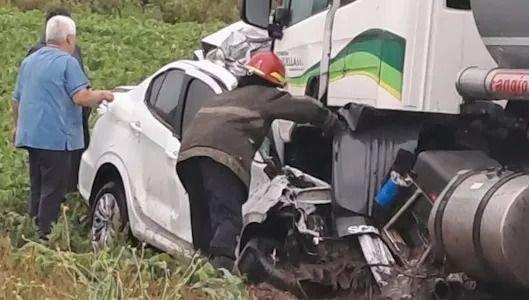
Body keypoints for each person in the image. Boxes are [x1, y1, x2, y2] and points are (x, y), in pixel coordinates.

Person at [176, 51, 343, 269]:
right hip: (221, 157)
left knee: (203, 219)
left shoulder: (223, 96)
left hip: (187, 156)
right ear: (272, 82)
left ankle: (199, 273)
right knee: (228, 218)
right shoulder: (265, 95)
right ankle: (219, 276)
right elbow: (302, 108)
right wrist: (332, 121)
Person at [11, 16, 114, 241]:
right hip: (56, 138)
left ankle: (30, 229)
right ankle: (44, 236)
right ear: (68, 38)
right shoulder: (68, 62)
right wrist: (103, 95)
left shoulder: (30, 61)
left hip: (31, 135)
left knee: (37, 185)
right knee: (53, 189)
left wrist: (16, 126)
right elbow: (80, 96)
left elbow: (16, 99)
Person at [27, 7, 90, 194]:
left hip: (46, 125)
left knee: (42, 176)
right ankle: (51, 216)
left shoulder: (36, 55)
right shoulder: (54, 54)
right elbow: (79, 93)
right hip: (58, 126)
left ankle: (38, 216)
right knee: (54, 180)